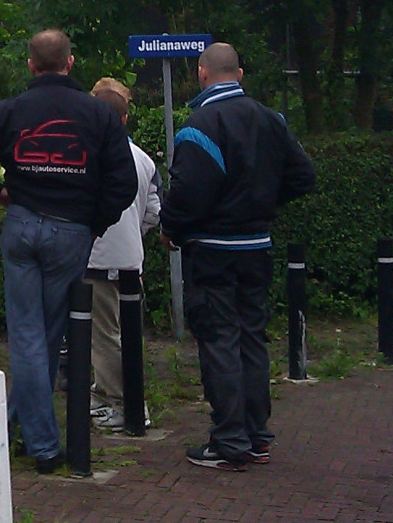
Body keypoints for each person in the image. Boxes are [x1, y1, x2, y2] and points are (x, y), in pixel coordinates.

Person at [0, 30, 137, 474]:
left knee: (31, 336)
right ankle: (45, 446)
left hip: (22, 226)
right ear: (70, 63)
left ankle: (17, 428)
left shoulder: (12, 110)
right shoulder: (97, 114)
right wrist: (92, 223)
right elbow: (123, 183)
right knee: (45, 337)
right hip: (70, 231)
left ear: (31, 65)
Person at [160, 43, 315, 471]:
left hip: (212, 252)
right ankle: (257, 436)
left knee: (220, 341)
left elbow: (187, 193)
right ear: (240, 74)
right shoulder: (273, 121)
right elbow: (303, 177)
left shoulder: (199, 126)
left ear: (202, 73)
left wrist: (172, 229)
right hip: (256, 247)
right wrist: (261, 202)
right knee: (252, 338)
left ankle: (228, 441)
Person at [86, 78, 163, 430]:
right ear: (126, 117)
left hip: (98, 259)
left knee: (103, 337)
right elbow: (154, 211)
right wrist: (135, 233)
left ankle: (116, 402)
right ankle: (126, 397)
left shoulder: (90, 156)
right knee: (127, 333)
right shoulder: (144, 160)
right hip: (132, 259)